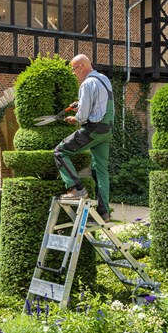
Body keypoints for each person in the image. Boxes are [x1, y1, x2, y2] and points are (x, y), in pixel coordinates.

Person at [54, 54, 114, 221]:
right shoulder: (104, 79)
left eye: (74, 69)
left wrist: (76, 118)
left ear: (81, 66)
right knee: (101, 171)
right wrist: (80, 105)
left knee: (59, 151)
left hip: (93, 129)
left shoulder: (87, 84)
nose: (74, 73)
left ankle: (76, 188)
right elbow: (99, 104)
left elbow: (83, 117)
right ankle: (104, 212)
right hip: (106, 130)